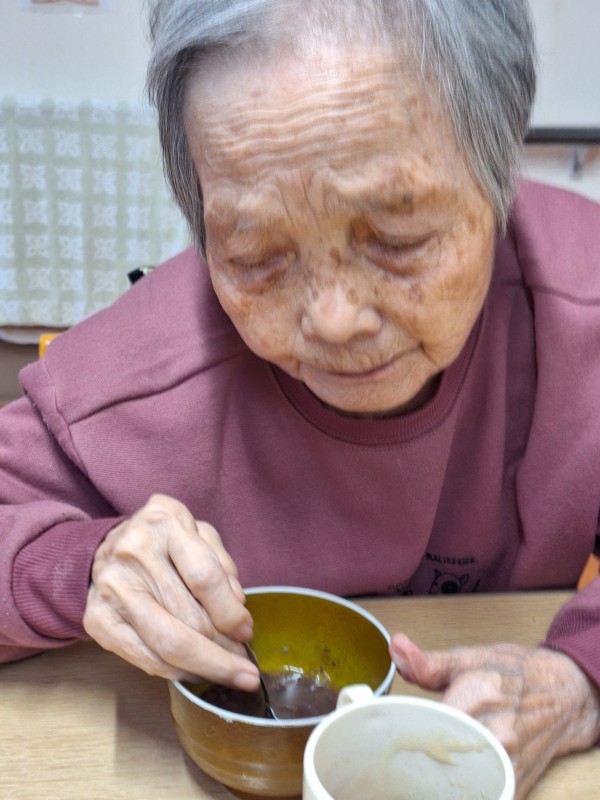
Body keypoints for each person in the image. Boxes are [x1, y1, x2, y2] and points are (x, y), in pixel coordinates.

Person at [1, 0, 599, 795]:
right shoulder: (134, 376)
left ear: (498, 179)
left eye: (397, 240)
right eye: (255, 257)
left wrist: (579, 674)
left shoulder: (582, 305)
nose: (334, 320)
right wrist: (83, 567)